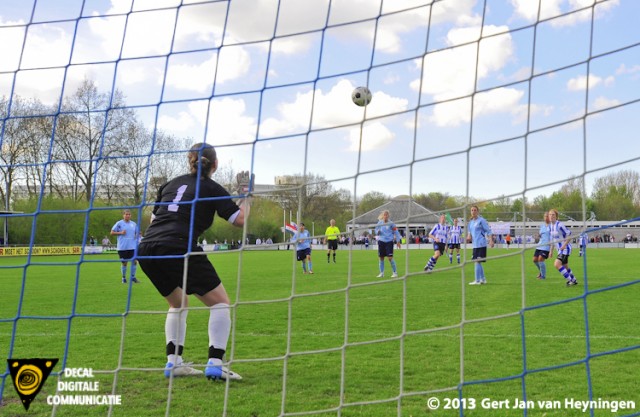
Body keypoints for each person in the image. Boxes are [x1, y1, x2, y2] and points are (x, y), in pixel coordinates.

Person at [137, 143, 249, 381]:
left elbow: (154, 218)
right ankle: (216, 363)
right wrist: (246, 193)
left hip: (147, 247)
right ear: (215, 165)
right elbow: (240, 220)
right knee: (220, 303)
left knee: (178, 303)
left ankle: (174, 363)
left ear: (190, 162)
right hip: (178, 244)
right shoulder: (212, 187)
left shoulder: (170, 184)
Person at [548, 209, 578, 286]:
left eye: (553, 215)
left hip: (565, 249)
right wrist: (551, 251)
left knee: (557, 264)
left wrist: (564, 245)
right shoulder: (550, 227)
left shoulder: (560, 225)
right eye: (550, 215)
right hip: (560, 250)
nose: (551, 216)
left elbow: (569, 235)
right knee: (565, 266)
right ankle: (574, 279)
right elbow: (552, 240)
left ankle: (570, 280)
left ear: (556, 216)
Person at [466, 205, 494, 285]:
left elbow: (488, 231)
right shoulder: (470, 223)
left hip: (481, 244)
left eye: (475, 210)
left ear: (478, 212)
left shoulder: (482, 220)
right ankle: (483, 279)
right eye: (472, 210)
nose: (473, 212)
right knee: (478, 262)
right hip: (475, 245)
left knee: (477, 261)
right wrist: (468, 238)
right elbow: (469, 233)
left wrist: (491, 240)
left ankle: (477, 280)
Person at [110, 209, 139, 284]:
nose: (128, 216)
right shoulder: (119, 223)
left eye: (129, 214)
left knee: (134, 261)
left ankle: (133, 277)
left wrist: (137, 235)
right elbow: (112, 232)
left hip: (132, 247)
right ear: (123, 215)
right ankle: (123, 277)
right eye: (126, 214)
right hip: (122, 247)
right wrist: (120, 232)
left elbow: (137, 233)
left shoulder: (134, 224)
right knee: (124, 263)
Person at [375, 210, 402, 278]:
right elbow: (376, 230)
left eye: (387, 215)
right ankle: (381, 273)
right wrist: (377, 232)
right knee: (381, 258)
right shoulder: (380, 223)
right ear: (383, 216)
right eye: (384, 215)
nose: (385, 216)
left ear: (388, 216)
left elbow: (396, 232)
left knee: (390, 258)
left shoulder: (391, 223)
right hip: (381, 241)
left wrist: (398, 241)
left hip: (389, 242)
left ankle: (395, 272)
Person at [533, 212, 551, 280]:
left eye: (547, 216)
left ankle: (543, 276)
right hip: (540, 245)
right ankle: (541, 272)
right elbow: (541, 235)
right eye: (545, 216)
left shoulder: (552, 226)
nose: (546, 218)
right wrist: (538, 236)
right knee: (534, 260)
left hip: (546, 246)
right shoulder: (542, 226)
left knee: (540, 259)